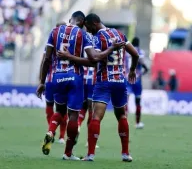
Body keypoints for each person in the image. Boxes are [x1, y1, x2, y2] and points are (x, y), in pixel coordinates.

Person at [36, 11, 125, 160]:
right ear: (82, 22)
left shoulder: (55, 31)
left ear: (71, 19)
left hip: (57, 76)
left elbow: (46, 59)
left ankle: (51, 131)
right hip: (76, 78)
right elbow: (93, 59)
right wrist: (109, 50)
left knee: (60, 110)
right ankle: (68, 154)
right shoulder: (82, 35)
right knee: (73, 115)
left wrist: (42, 82)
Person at [58, 13, 139, 162]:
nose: (88, 31)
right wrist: (132, 70)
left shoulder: (97, 39)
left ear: (94, 23)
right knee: (121, 115)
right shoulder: (119, 34)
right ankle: (126, 154)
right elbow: (135, 54)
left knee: (95, 117)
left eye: (88, 27)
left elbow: (93, 60)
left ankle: (90, 155)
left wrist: (69, 57)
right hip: (120, 81)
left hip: (104, 81)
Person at [39, 22, 67, 144]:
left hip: (51, 79)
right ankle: (61, 136)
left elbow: (44, 61)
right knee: (63, 109)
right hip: (66, 78)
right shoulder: (72, 42)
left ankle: (51, 131)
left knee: (49, 106)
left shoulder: (51, 43)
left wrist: (41, 80)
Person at [126, 37, 148, 129]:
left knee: (125, 102)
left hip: (127, 77)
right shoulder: (140, 51)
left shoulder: (126, 51)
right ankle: (138, 123)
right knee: (137, 101)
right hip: (136, 78)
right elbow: (141, 61)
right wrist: (144, 70)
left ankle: (124, 122)